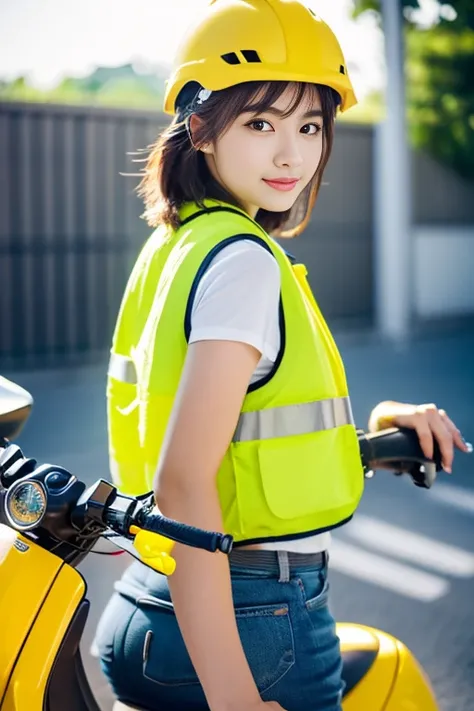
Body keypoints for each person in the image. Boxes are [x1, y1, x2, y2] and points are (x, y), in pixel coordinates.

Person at [94, 2, 469, 710]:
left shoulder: (175, 244)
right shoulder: (246, 262)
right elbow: (183, 481)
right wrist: (234, 692)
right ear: (200, 127)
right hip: (252, 619)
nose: (291, 154)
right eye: (261, 123)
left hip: (148, 605)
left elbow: (239, 440)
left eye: (310, 127)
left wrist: (367, 441)